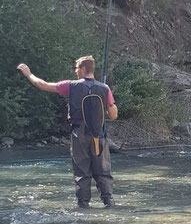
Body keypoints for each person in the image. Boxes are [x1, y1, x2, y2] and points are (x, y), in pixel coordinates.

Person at [17, 56, 118, 208]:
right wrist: (108, 100)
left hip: (79, 134)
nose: (75, 71)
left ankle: (83, 206)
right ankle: (109, 203)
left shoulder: (70, 86)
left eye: (77, 68)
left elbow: (43, 85)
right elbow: (113, 115)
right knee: (103, 172)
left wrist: (28, 74)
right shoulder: (104, 88)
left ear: (83, 69)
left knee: (82, 173)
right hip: (99, 135)